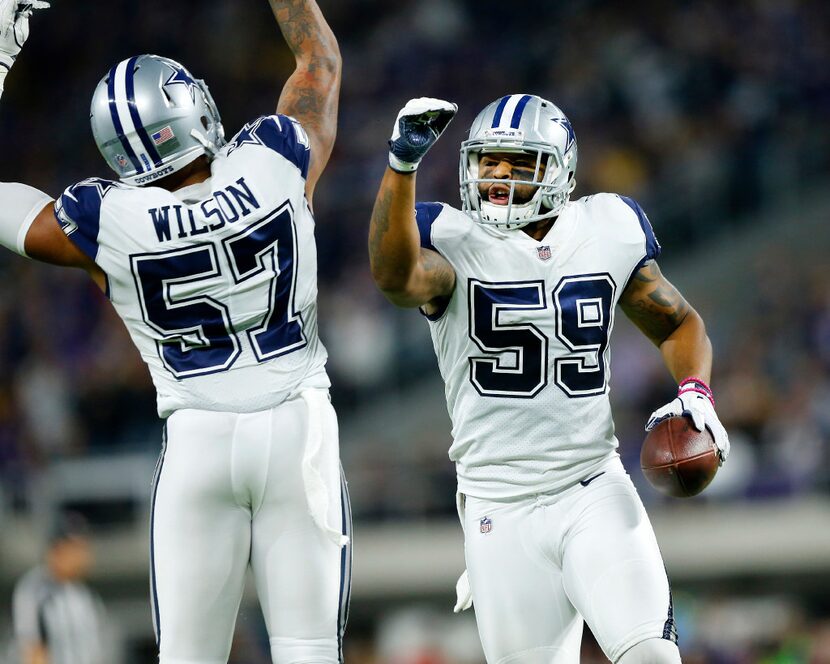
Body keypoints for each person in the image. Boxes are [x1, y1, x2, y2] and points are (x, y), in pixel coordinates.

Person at [0, 1, 351, 663]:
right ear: (192, 111)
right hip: (297, 431)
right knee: (310, 652)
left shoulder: (107, 219)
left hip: (198, 439)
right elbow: (319, 61)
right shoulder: (272, 160)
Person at [367, 95, 730, 663]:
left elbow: (678, 322)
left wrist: (696, 392)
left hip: (591, 486)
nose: (499, 176)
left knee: (652, 657)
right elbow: (395, 278)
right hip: (499, 506)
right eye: (489, 161)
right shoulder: (452, 240)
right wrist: (401, 165)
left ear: (560, 170)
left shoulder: (607, 228)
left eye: (519, 162)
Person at [12, 513, 113, 664]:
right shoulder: (35, 589)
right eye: (77, 548)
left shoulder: (85, 595)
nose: (84, 556)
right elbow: (33, 650)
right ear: (58, 549)